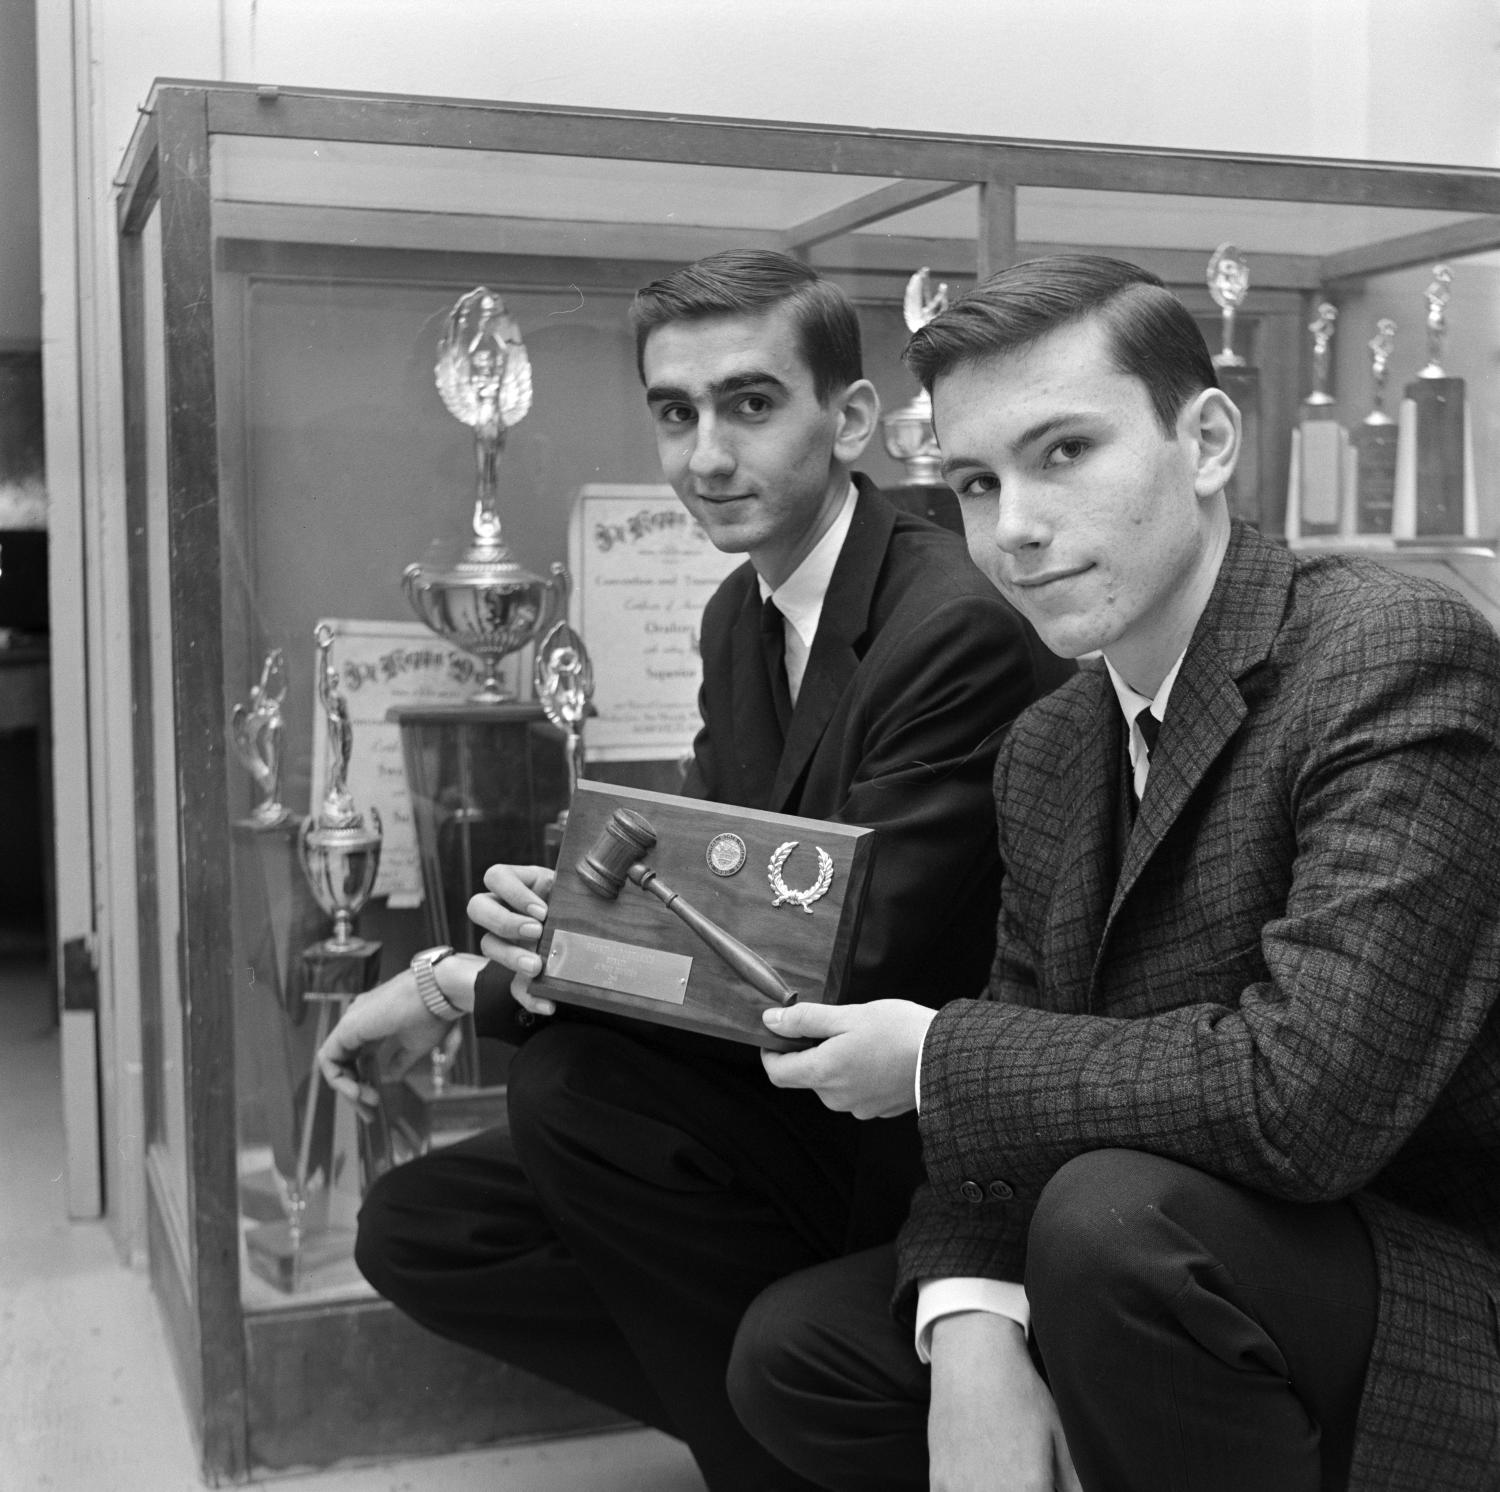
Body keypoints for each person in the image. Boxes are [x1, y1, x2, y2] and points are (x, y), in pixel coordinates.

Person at [728, 255, 1500, 1492]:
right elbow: (1030, 1061)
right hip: (1160, 1254)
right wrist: (975, 1325)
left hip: (1419, 1284)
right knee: (798, 1348)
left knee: (1107, 1224)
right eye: (976, 483)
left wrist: (932, 1056)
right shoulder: (1052, 744)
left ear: (1204, 440)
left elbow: (1303, 1102)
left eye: (1066, 452)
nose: (1014, 527)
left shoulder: (1390, 655)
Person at [318, 250, 1071, 1491]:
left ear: (853, 419)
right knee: (428, 1228)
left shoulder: (952, 627)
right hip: (783, 1079)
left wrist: (471, 982)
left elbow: (817, 950)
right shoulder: (741, 615)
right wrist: (547, 921)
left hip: (906, 1125)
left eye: (751, 403)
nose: (707, 455)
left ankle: (772, 1446)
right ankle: (783, 1427)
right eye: (676, 413)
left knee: (574, 1093)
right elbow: (711, 880)